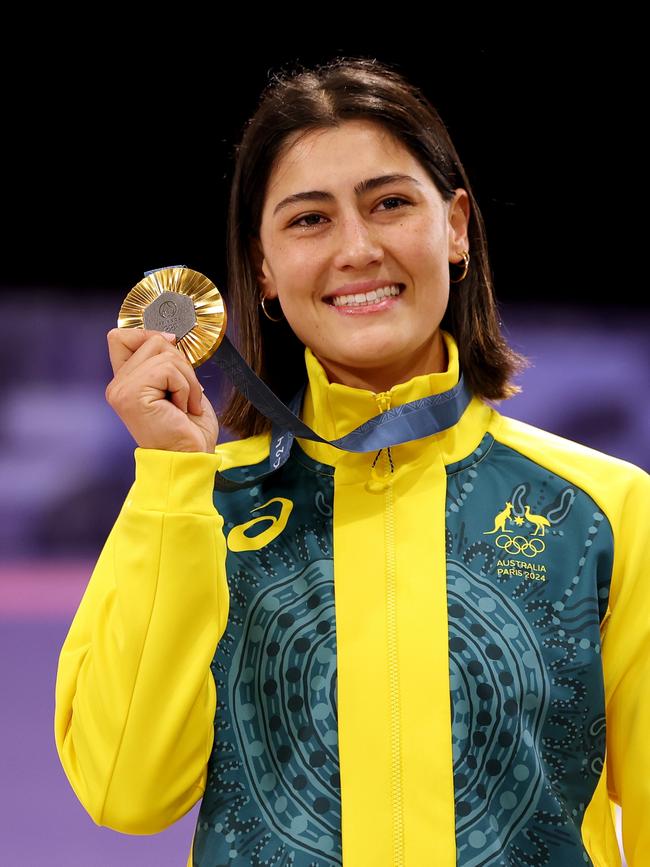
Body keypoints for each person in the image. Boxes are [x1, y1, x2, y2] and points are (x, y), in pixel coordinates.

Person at [54, 56, 648, 867]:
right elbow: (126, 790)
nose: (357, 248)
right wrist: (170, 480)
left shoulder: (604, 510)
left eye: (390, 203)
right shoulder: (201, 505)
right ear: (262, 267)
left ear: (456, 226)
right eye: (309, 220)